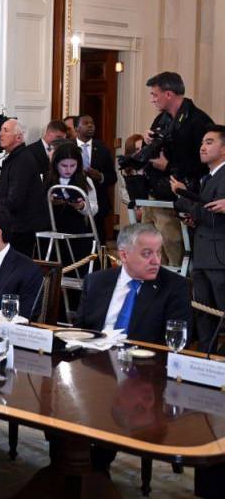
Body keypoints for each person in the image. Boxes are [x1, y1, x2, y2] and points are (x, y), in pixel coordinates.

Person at [142, 72, 215, 267]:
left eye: (154, 94)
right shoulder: (161, 120)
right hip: (156, 192)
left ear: (168, 94)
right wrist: (147, 141)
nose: (152, 99)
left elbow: (205, 163)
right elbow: (152, 152)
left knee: (173, 250)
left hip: (180, 196)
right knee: (149, 250)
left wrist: (168, 166)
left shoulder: (199, 121)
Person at [75, 223, 191, 344]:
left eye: (158, 252)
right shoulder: (95, 281)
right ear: (124, 255)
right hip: (94, 352)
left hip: (143, 355)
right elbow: (78, 332)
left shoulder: (174, 286)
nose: (156, 261)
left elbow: (176, 342)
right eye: (147, 254)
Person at [172, 126, 225, 351]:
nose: (203, 147)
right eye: (202, 142)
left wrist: (182, 196)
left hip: (219, 258)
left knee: (220, 312)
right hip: (203, 254)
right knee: (204, 313)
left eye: (210, 142)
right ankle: (205, 357)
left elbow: (212, 216)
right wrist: (193, 219)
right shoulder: (208, 178)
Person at [0, 118, 47, 256]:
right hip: (13, 226)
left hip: (21, 229)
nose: (0, 134)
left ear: (19, 137)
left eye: (5, 130)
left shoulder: (22, 160)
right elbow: (9, 189)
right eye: (0, 130)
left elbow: (15, 201)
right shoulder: (14, 158)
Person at [44, 142, 98, 266]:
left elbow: (95, 208)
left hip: (77, 233)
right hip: (53, 231)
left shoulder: (85, 181)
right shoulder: (47, 179)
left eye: (72, 165)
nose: (68, 170)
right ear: (55, 164)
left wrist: (82, 206)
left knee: (78, 266)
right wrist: (49, 202)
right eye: (64, 165)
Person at [75, 114, 118, 242]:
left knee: (98, 240)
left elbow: (113, 177)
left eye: (92, 123)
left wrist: (100, 176)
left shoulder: (103, 148)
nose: (90, 126)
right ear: (77, 128)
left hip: (98, 203)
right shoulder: (68, 146)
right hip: (75, 203)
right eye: (86, 123)